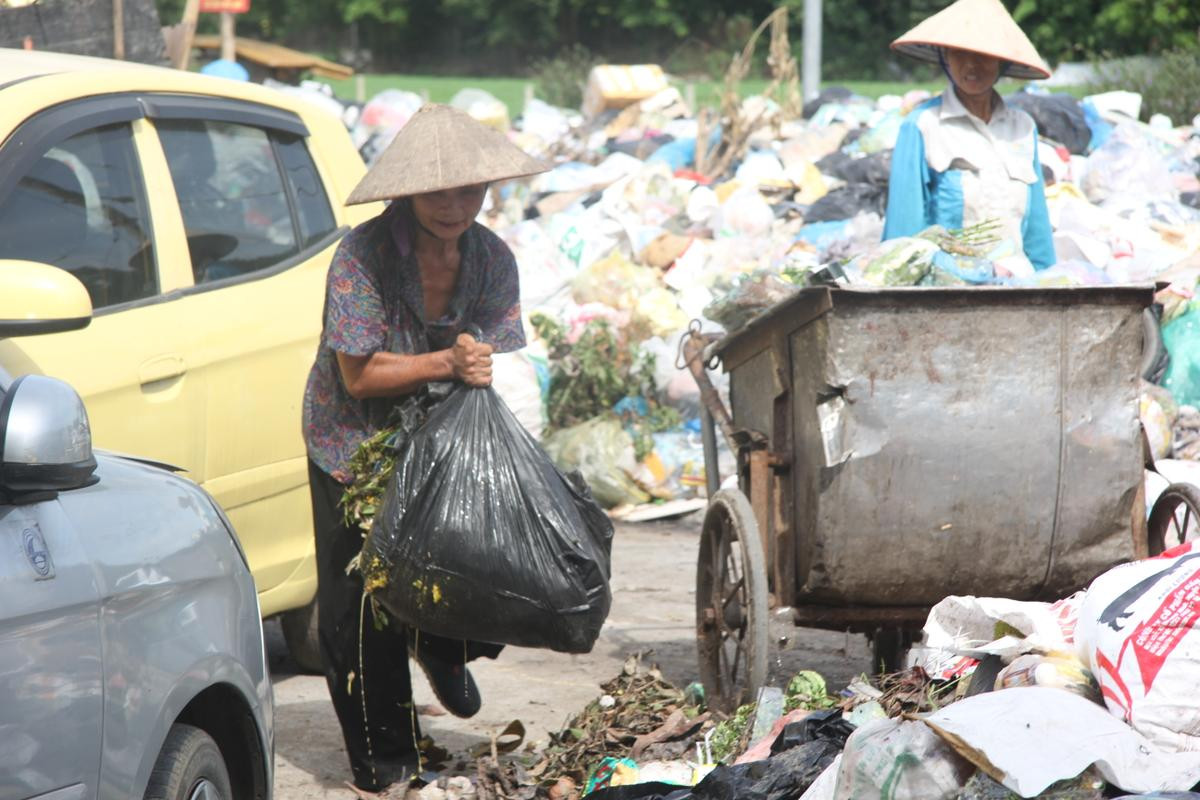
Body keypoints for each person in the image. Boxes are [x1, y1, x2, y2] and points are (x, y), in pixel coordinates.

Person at [301, 103, 547, 792]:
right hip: (351, 441)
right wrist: (449, 360)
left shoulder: (492, 258)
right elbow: (359, 373)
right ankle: (384, 761)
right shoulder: (361, 257)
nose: (454, 205)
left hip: (440, 440)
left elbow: (496, 352)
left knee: (473, 568)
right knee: (361, 608)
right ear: (406, 192)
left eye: (469, 190)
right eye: (438, 192)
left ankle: (443, 648)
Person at [883, 0, 1056, 277]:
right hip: (946, 293)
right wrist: (982, 272)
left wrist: (1050, 284)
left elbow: (1038, 237)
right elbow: (902, 245)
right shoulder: (922, 126)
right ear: (945, 57)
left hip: (1019, 289)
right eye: (959, 53)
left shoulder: (1022, 127)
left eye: (984, 55)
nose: (971, 65)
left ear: (1002, 61)